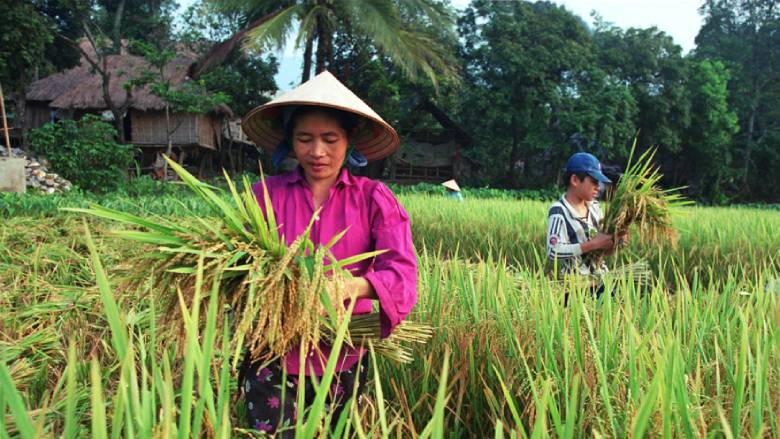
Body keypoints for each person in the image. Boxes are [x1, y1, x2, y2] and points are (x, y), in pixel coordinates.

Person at [240, 71, 418, 436]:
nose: (317, 151)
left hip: (343, 352)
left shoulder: (374, 199)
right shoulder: (263, 196)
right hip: (272, 351)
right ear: (290, 141)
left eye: (330, 139)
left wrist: (352, 287)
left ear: (349, 140)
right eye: (304, 139)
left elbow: (402, 273)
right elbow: (237, 265)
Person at [546, 152, 622, 286]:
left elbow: (604, 251)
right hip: (575, 286)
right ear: (575, 180)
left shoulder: (595, 208)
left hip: (602, 280)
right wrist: (593, 244)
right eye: (593, 181)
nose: (598, 187)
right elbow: (553, 251)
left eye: (598, 182)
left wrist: (615, 242)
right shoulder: (559, 211)